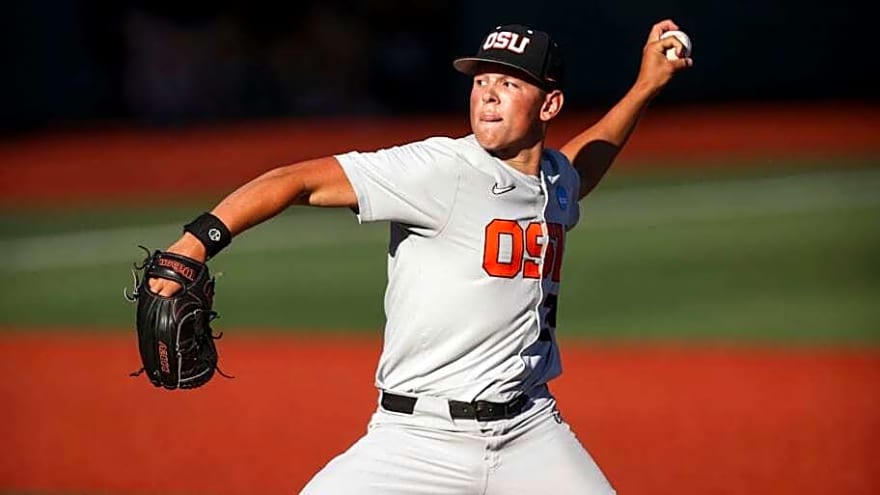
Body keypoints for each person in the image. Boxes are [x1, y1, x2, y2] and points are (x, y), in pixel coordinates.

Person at [150, 19, 692, 494]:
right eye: (481, 81)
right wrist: (195, 243)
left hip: (531, 431)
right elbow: (296, 181)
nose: (488, 95)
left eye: (508, 82)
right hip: (415, 441)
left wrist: (645, 87)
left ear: (549, 104)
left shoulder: (554, 180)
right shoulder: (438, 169)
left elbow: (582, 166)